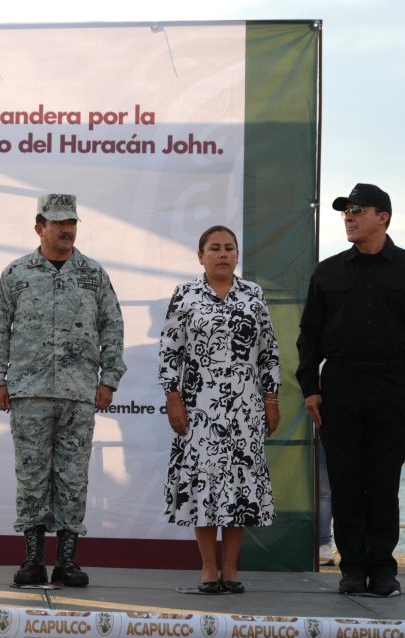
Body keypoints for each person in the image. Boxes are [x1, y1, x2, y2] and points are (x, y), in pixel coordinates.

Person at [0, 193, 125, 588]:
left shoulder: (93, 275)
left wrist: (109, 378)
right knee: (31, 476)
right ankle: (31, 561)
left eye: (72, 222)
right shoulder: (17, 274)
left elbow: (112, 326)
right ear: (39, 227)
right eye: (59, 222)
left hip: (78, 393)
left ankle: (66, 561)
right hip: (29, 392)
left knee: (73, 478)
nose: (67, 229)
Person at [158, 225, 280, 594]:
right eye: (215, 248)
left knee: (240, 487)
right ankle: (208, 569)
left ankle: (231, 569)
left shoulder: (253, 295)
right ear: (201, 256)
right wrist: (173, 397)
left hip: (244, 409)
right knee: (205, 486)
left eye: (229, 248)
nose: (223, 253)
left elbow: (269, 351)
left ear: (237, 255)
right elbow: (169, 350)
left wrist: (271, 398)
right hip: (199, 408)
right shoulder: (186, 294)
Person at [297, 183, 405, 596]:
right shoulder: (329, 271)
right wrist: (310, 388)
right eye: (345, 211)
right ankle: (352, 568)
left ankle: (382, 567)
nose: (349, 216)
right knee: (344, 480)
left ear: (383, 217)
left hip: (394, 388)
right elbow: (309, 336)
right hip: (340, 386)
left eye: (358, 210)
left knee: (381, 481)